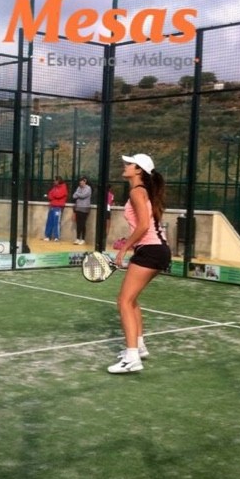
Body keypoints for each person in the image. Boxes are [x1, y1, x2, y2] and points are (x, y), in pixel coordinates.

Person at [108, 154, 171, 374]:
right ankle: (139, 347)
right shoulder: (142, 191)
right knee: (131, 299)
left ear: (138, 170)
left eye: (130, 164)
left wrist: (125, 247)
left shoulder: (137, 191)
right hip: (156, 250)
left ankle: (132, 358)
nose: (125, 166)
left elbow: (143, 225)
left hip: (151, 251)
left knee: (124, 301)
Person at [42, 176, 68, 241]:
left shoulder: (63, 187)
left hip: (58, 207)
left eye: (55, 180)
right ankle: (48, 236)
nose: (54, 182)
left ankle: (56, 237)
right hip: (52, 206)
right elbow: (49, 195)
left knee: (56, 222)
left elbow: (58, 195)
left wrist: (53, 195)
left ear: (58, 181)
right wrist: (53, 195)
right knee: (49, 221)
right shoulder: (54, 187)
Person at [72, 176, 92, 245]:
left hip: (85, 208)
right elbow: (74, 196)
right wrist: (78, 194)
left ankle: (83, 239)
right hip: (78, 207)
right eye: (80, 183)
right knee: (78, 224)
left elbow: (83, 196)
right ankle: (77, 238)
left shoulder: (88, 188)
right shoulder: (78, 188)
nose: (80, 184)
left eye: (81, 182)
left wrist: (78, 194)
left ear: (84, 181)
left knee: (83, 224)